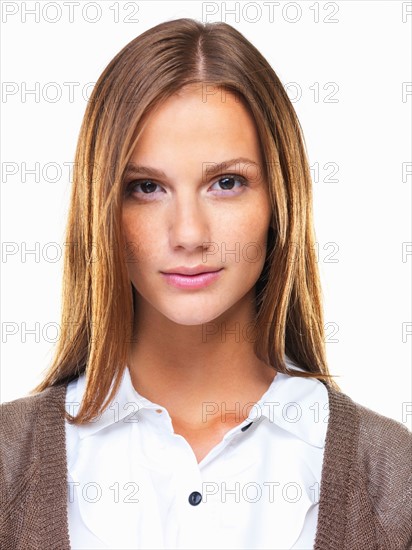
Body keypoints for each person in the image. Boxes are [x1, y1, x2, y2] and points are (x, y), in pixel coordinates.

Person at [1, 18, 411, 550]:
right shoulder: (10, 465)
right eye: (147, 187)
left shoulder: (392, 479)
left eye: (226, 182)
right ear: (102, 209)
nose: (189, 233)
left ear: (278, 201)